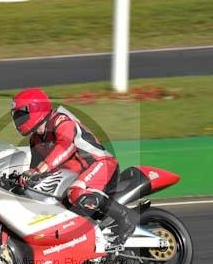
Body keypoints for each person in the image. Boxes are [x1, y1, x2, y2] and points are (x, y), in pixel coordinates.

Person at [11, 88, 136, 244]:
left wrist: (38, 170)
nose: (17, 120)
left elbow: (66, 147)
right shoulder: (35, 140)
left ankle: (126, 216)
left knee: (76, 192)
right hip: (78, 175)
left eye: (21, 115)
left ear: (36, 110)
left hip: (100, 164)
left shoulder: (61, 122)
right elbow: (36, 170)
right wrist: (22, 180)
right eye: (15, 116)